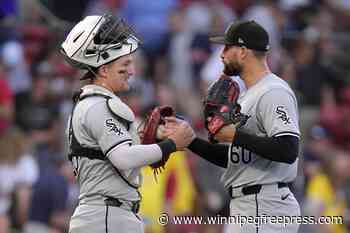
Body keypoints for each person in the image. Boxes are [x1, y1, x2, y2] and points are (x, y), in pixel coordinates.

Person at [60, 14, 194, 233]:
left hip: (109, 214)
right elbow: (123, 158)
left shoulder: (92, 103)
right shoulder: (98, 105)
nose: (132, 71)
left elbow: (109, 150)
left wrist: (152, 135)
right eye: (125, 65)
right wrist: (171, 144)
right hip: (106, 216)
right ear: (104, 70)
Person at [166, 20, 301, 233]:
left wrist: (235, 135)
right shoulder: (248, 95)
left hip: (265, 205)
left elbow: (288, 149)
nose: (221, 54)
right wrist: (190, 140)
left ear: (243, 51)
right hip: (247, 205)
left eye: (227, 47)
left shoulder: (274, 91)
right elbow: (234, 158)